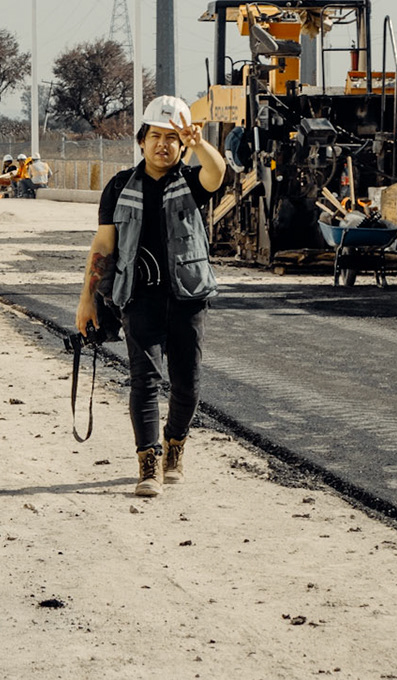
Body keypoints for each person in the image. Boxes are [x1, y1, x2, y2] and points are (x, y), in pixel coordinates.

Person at [73, 96, 225, 498]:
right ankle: (149, 462)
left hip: (188, 297)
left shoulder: (192, 181)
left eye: (172, 138)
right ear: (142, 140)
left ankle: (175, 444)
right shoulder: (120, 186)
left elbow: (218, 173)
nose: (163, 144)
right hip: (139, 298)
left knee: (187, 384)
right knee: (144, 380)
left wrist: (199, 143)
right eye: (155, 136)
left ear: (181, 144)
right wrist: (87, 299)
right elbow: (103, 245)